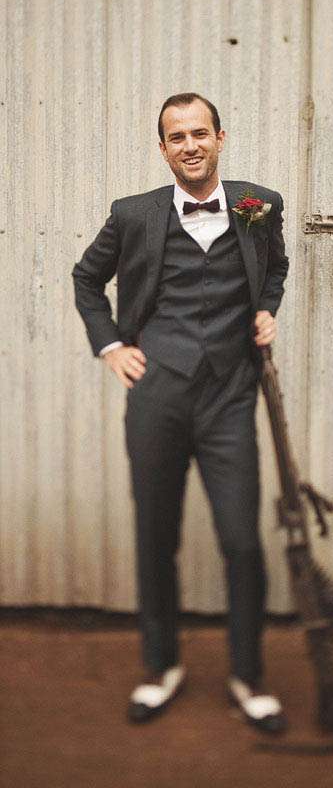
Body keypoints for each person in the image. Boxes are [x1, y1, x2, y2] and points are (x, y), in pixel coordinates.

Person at [71, 92, 290, 734]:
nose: (190, 145)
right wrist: (110, 345)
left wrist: (266, 308)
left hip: (229, 396)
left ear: (221, 137)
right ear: (163, 148)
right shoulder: (132, 214)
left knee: (242, 541)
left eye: (200, 133)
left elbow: (275, 267)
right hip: (157, 395)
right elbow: (86, 279)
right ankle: (161, 666)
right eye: (177, 136)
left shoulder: (260, 205)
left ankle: (248, 676)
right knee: (155, 536)